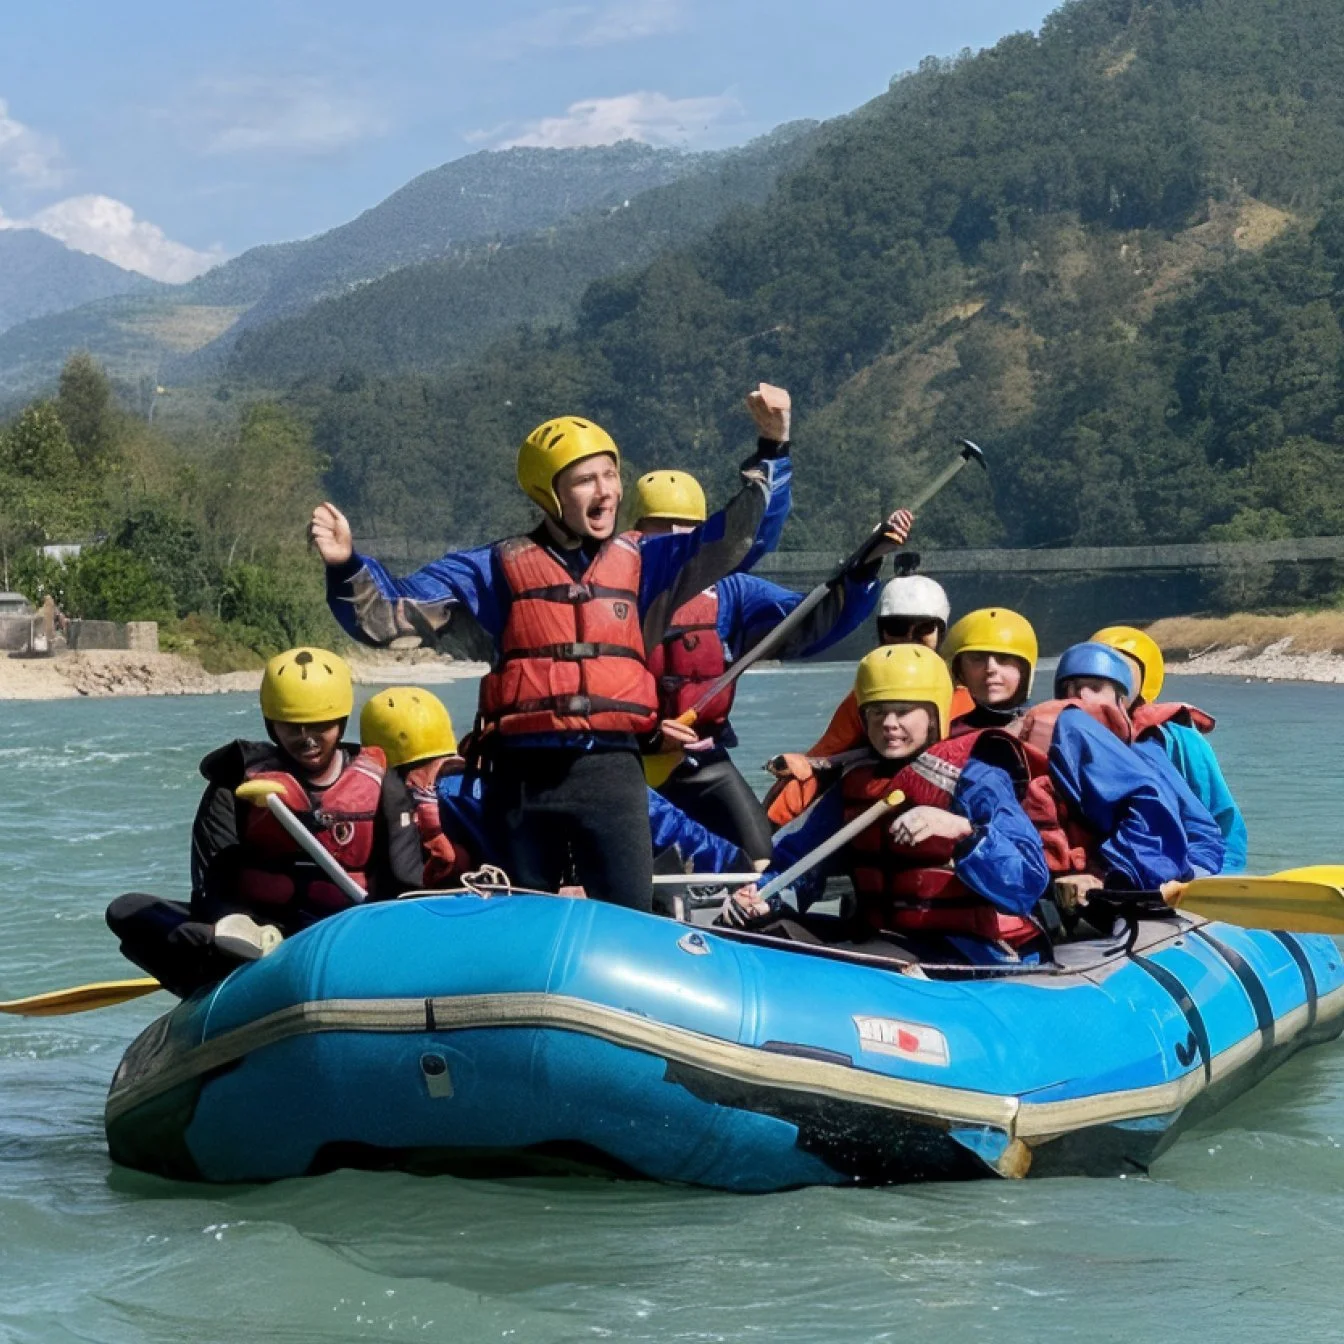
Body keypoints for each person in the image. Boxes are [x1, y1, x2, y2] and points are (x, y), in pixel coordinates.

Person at [313, 388, 794, 911]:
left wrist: (772, 446)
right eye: (587, 479)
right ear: (549, 492)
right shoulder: (492, 571)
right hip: (522, 783)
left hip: (610, 776)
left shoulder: (646, 563)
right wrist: (346, 565)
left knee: (627, 914)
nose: (606, 492)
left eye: (610, 475)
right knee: (526, 914)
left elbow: (743, 537)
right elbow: (390, 615)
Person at [105, 648, 423, 997]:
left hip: (348, 933)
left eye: (320, 725)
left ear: (342, 721)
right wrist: (238, 925)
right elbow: (212, 886)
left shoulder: (382, 784)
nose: (307, 738)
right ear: (272, 723)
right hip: (261, 937)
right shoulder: (235, 784)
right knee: (127, 911)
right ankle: (222, 993)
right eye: (292, 725)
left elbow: (406, 882)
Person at [634, 467, 909, 862]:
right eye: (661, 526)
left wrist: (864, 565)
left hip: (698, 757)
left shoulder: (732, 593)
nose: (678, 535)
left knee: (758, 854)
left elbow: (809, 618)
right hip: (629, 758)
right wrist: (646, 736)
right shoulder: (612, 593)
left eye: (689, 526)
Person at [722, 645, 1051, 965]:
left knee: (861, 958)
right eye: (877, 712)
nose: (889, 723)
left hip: (963, 949)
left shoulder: (977, 778)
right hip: (881, 937)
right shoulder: (857, 781)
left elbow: (1027, 884)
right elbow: (799, 860)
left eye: (904, 711)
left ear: (934, 714)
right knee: (752, 930)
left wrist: (962, 830)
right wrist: (762, 895)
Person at [761, 573, 974, 827]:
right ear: (882, 632)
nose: (908, 638)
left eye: (924, 629)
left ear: (941, 632)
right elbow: (828, 754)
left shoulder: (965, 697)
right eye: (896, 628)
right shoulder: (866, 696)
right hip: (876, 796)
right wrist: (769, 822)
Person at [1050, 641, 1226, 877]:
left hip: (1147, 880)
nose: (1080, 696)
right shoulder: (1046, 748)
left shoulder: (1147, 751)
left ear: (1121, 700)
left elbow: (1204, 828)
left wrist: (1193, 877)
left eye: (1095, 687)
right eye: (1070, 689)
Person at [1091, 624, 1248, 872]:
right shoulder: (1066, 734)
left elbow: (1222, 820)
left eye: (1122, 670)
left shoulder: (1181, 741)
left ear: (1144, 680)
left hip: (1180, 873)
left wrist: (1219, 880)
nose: (1110, 678)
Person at [941, 607, 1037, 732]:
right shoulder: (945, 735)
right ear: (960, 671)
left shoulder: (1051, 730)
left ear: (1024, 670)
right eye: (977, 658)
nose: (990, 669)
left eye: (1004, 658)